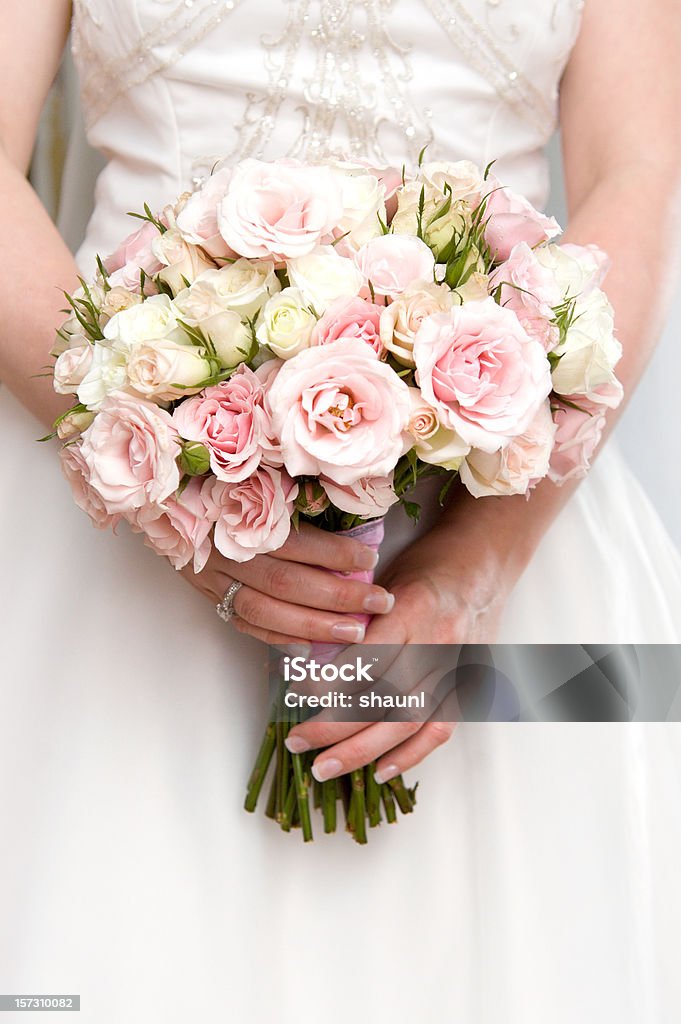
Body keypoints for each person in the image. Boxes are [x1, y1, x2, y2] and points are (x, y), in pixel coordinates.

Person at [1, 1, 680, 1020]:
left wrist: (475, 565)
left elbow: (634, 172)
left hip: (513, 510)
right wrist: (166, 485)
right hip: (110, 517)